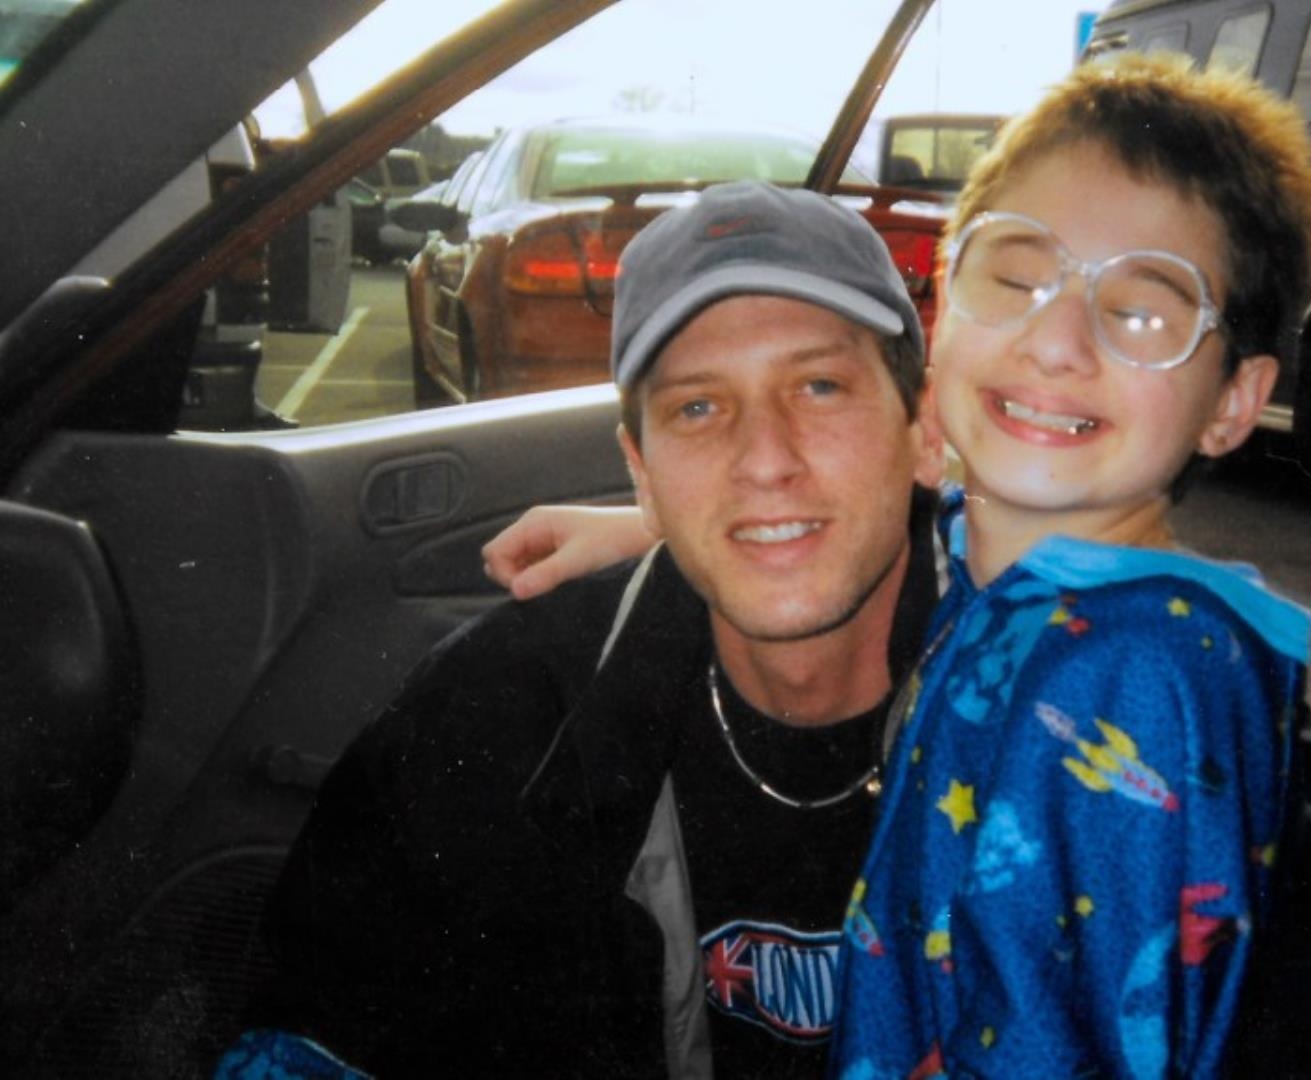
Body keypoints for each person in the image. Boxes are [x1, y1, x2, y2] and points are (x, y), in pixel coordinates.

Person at [486, 53, 1311, 1078]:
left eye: (1144, 311)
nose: (1058, 339)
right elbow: (928, 522)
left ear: (1237, 401)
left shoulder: (1123, 680)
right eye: (1017, 277)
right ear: (945, 318)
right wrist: (661, 525)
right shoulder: (1038, 579)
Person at [217, 179, 945, 1078]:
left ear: (926, 428)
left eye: (822, 385)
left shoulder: (1066, 716)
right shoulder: (504, 716)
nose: (765, 459)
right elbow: (316, 1043)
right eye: (698, 408)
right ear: (639, 469)